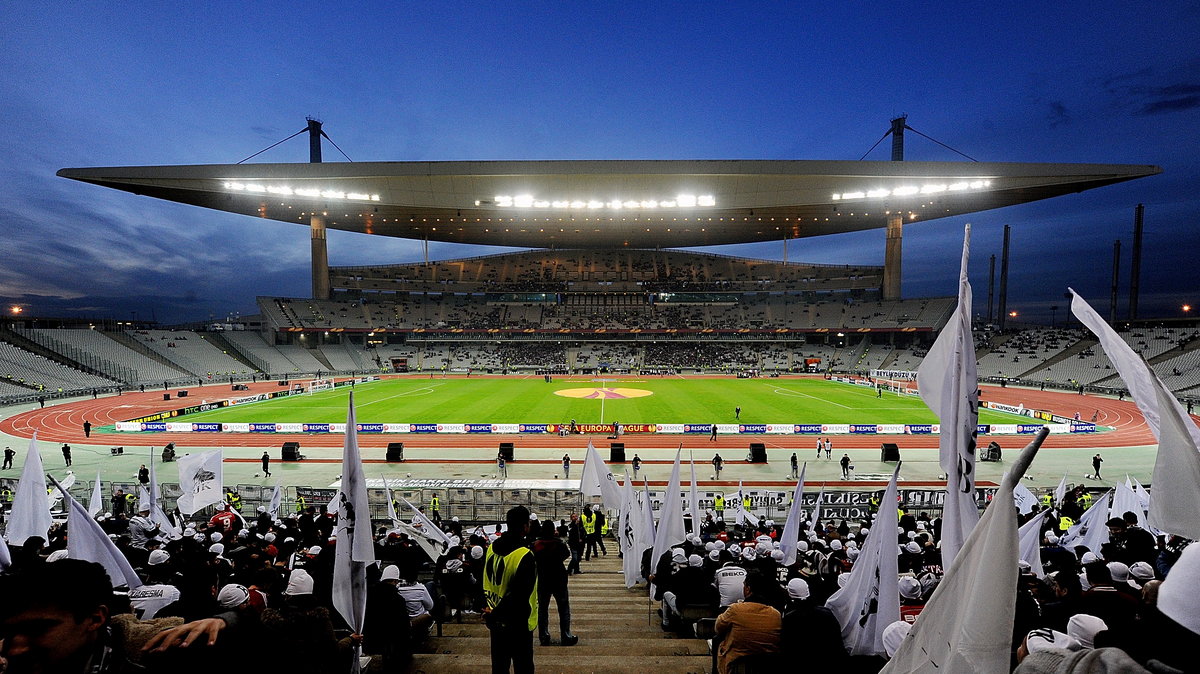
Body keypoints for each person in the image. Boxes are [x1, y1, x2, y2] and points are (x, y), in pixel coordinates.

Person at [484, 505, 539, 674]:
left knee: (499, 666)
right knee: (523, 666)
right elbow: (519, 596)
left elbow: (485, 580)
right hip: (518, 622)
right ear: (525, 526)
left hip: (494, 617)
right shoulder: (524, 555)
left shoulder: (491, 548)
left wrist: (490, 613)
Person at [713, 571, 782, 673]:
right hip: (766, 664)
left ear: (748, 589)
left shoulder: (735, 609)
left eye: (744, 585)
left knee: (717, 639)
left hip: (736, 663)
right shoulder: (775, 614)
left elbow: (718, 628)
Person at [531, 520, 577, 646]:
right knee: (563, 608)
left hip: (543, 579)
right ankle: (566, 635)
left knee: (542, 609)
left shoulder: (536, 545)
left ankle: (543, 636)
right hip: (559, 578)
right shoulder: (559, 544)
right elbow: (566, 554)